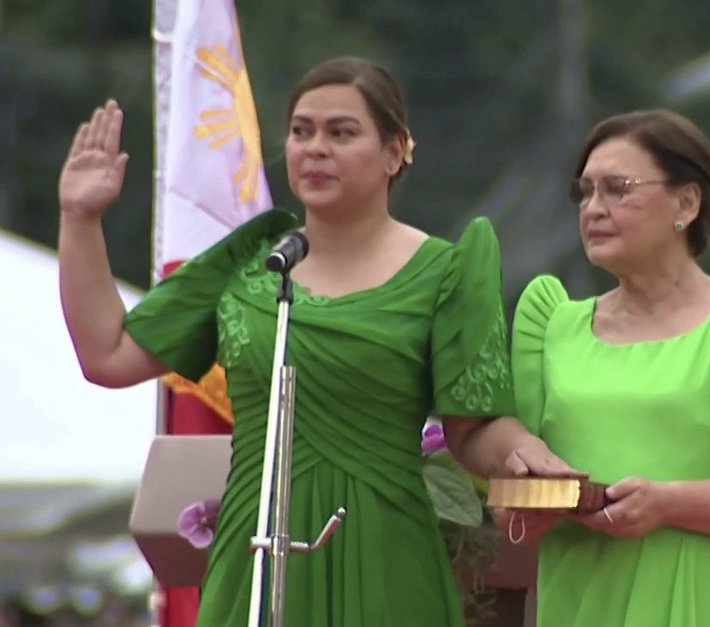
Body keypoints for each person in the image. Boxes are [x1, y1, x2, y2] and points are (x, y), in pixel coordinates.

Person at [57, 56, 575, 626]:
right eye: (302, 131)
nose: (315, 148)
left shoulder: (446, 273)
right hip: (255, 550)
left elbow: (474, 427)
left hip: (385, 554)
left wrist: (523, 454)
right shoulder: (253, 261)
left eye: (341, 132)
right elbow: (107, 355)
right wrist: (80, 220)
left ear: (395, 151)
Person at [502, 109, 710, 626]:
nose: (593, 209)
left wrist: (667, 504)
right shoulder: (549, 326)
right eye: (584, 193)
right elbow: (510, 503)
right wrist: (531, 504)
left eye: (617, 189)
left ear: (687, 202)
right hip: (579, 602)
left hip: (699, 604)